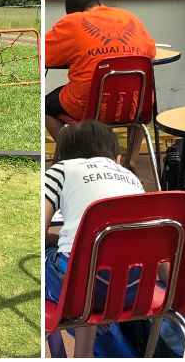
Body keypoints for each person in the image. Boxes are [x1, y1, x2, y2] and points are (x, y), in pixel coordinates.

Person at [45, 121, 147, 357]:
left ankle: (83, 354)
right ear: (117, 159)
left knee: (52, 263)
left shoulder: (61, 171)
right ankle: (86, 353)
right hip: (135, 287)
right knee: (91, 269)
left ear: (62, 158)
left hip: (83, 287)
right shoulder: (132, 179)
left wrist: (54, 240)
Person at [44, 0, 157, 174]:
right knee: (140, 109)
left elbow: (45, 54)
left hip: (90, 105)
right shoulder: (129, 17)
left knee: (45, 106)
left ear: (73, 11)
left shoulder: (72, 22)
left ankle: (78, 160)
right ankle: (131, 160)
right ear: (98, 3)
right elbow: (150, 53)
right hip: (137, 105)